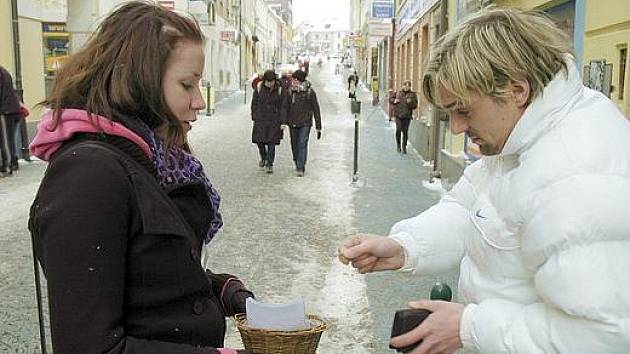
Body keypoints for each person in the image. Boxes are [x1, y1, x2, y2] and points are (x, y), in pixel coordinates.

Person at [339, 7, 630, 354]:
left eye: (464, 110)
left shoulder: (575, 176)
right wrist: (406, 246)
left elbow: (602, 336)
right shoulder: (525, 134)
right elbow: (471, 209)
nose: (459, 128)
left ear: (516, 90)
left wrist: (469, 327)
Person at [28, 2, 253, 353]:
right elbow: (88, 346)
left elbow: (147, 279)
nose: (198, 101)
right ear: (141, 80)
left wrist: (221, 292)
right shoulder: (88, 176)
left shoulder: (150, 158)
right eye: (186, 85)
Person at [284, 69, 321, 177]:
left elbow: (316, 109)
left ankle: (301, 167)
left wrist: (318, 126)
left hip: (305, 122)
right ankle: (297, 160)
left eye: (295, 79)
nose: (293, 81)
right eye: (292, 79)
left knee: (302, 143)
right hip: (293, 122)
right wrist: (284, 120)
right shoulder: (290, 91)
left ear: (300, 80)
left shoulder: (309, 92)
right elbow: (285, 107)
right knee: (294, 144)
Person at [251, 69, 284, 174]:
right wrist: (254, 115)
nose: (270, 84)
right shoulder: (259, 88)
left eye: (272, 81)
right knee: (259, 141)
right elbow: (254, 103)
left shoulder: (279, 90)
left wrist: (282, 120)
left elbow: (283, 106)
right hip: (261, 119)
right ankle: (264, 157)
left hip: (274, 120)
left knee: (271, 143)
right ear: (265, 80)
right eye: (268, 81)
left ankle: (269, 164)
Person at [0, 64, 21, 176]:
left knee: (6, 140)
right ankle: (12, 162)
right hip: (9, 109)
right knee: (8, 139)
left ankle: (7, 166)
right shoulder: (3, 71)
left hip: (5, 110)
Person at [389, 80, 418, 154]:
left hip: (407, 116)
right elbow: (390, 99)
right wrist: (394, 100)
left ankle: (404, 146)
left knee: (405, 132)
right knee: (398, 129)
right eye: (405, 85)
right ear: (403, 86)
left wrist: (410, 103)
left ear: (410, 87)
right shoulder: (398, 93)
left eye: (408, 86)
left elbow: (415, 106)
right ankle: (398, 145)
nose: (406, 87)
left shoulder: (413, 95)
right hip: (398, 115)